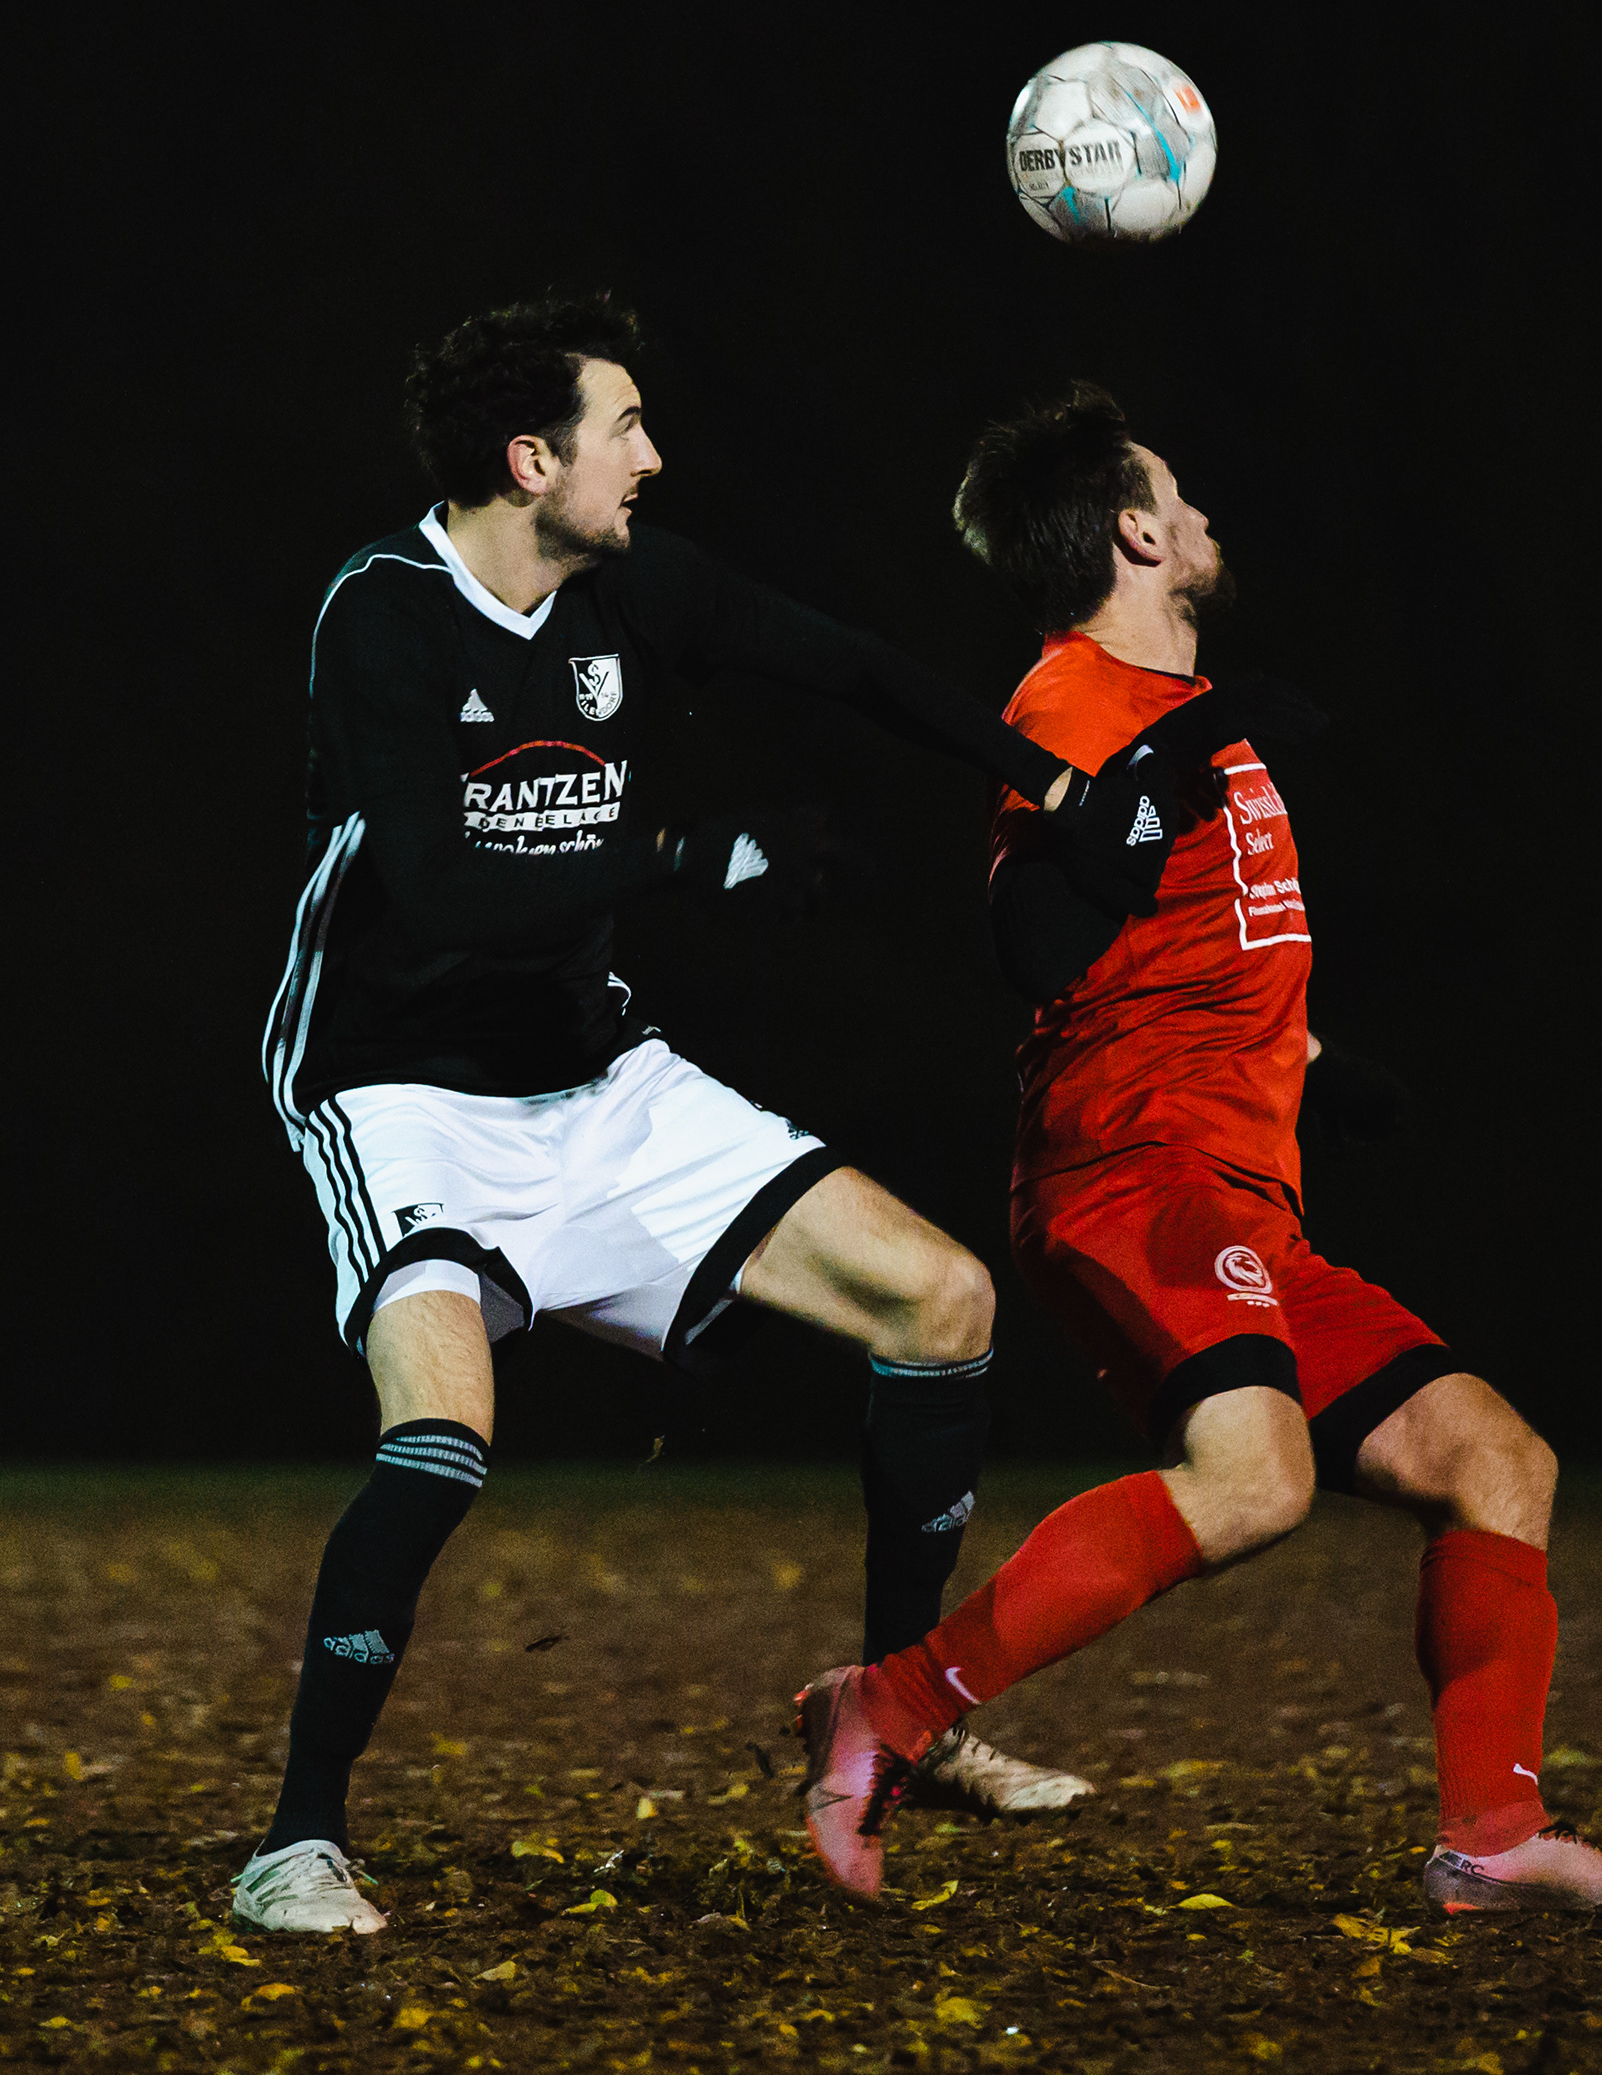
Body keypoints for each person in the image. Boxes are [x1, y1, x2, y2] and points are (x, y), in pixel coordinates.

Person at [236, 295, 1109, 1936]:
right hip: (402, 1093)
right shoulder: (386, 616)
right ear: (530, 458)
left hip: (598, 1077)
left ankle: (888, 1714)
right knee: (441, 1442)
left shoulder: (640, 587)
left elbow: (851, 667)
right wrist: (680, 860)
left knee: (941, 1300)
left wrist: (1048, 779)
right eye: (623, 425)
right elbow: (436, 890)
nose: (651, 455)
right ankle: (297, 1840)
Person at [796, 384, 1602, 1918]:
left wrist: (1317, 1064)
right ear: (1138, 533)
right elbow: (1035, 939)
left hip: (1241, 1189)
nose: (1205, 514)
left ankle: (1490, 1834)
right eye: (1179, 493)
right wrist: (1193, 742)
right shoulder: (1074, 702)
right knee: (1255, 1477)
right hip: (1130, 1171)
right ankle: (884, 1706)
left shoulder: (1179, 713)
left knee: (1496, 1462)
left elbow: (1186, 947)